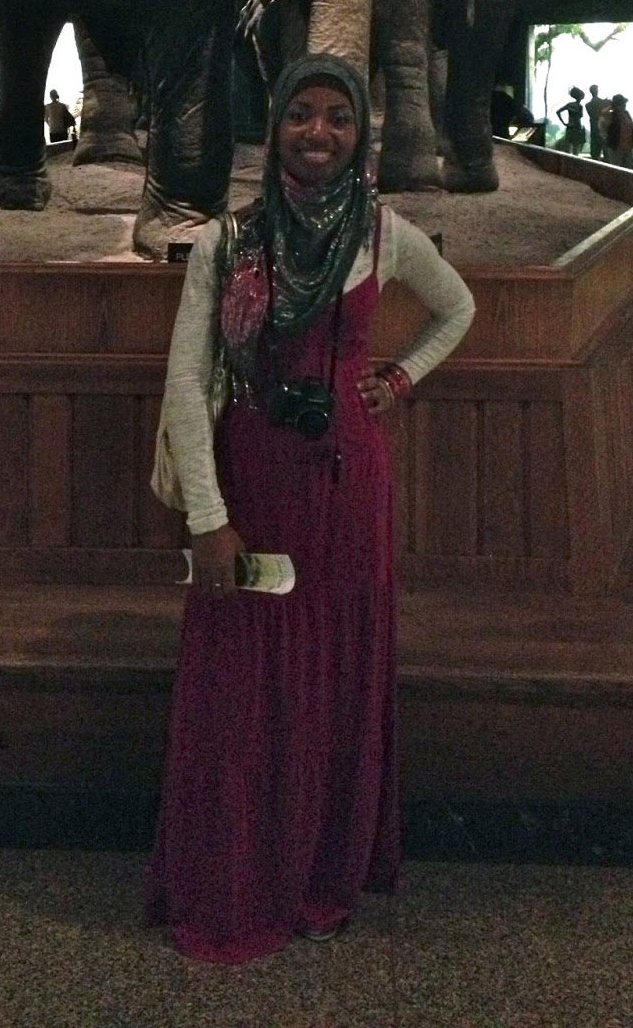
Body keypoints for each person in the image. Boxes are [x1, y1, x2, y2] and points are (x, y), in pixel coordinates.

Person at [147, 53, 475, 963]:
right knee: (245, 681)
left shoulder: (382, 233)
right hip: (253, 479)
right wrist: (208, 516)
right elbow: (185, 383)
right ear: (275, 126)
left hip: (346, 483)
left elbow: (458, 308)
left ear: (360, 131)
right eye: (301, 115)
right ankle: (238, 878)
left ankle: (322, 877)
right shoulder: (227, 242)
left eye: (337, 116)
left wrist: (399, 377)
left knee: (332, 674)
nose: (317, 133)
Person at [602, 92, 633, 167]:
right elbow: (603, 113)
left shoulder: (626, 114)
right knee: (616, 167)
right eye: (622, 103)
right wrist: (611, 106)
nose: (624, 105)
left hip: (628, 146)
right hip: (616, 147)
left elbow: (632, 128)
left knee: (629, 167)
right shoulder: (611, 115)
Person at [554, 86, 586, 154]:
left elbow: (558, 112)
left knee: (567, 149)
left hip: (569, 127)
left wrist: (564, 123)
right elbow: (579, 117)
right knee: (576, 150)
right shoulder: (580, 106)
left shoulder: (569, 105)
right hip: (577, 128)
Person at [586, 84, 606, 160]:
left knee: (595, 154)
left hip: (594, 131)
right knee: (606, 154)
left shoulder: (588, 105)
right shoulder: (603, 102)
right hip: (603, 131)